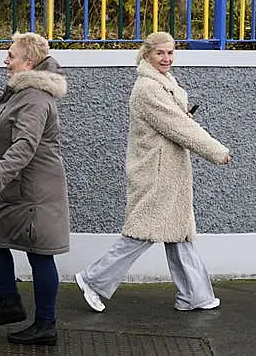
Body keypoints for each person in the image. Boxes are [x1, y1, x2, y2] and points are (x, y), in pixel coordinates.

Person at [75, 31, 231, 312]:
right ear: (147, 54)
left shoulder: (163, 83)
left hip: (168, 171)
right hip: (156, 173)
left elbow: (175, 121)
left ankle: (195, 295)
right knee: (142, 232)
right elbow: (179, 127)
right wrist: (216, 151)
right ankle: (93, 280)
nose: (167, 58)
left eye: (170, 53)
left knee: (179, 233)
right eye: (160, 53)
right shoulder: (148, 88)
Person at [0, 32, 70, 346]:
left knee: (40, 254)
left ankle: (45, 325)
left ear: (28, 62)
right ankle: (10, 304)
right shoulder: (21, 93)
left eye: (11, 55)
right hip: (19, 189)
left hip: (35, 192)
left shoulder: (35, 98)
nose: (5, 60)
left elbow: (24, 145)